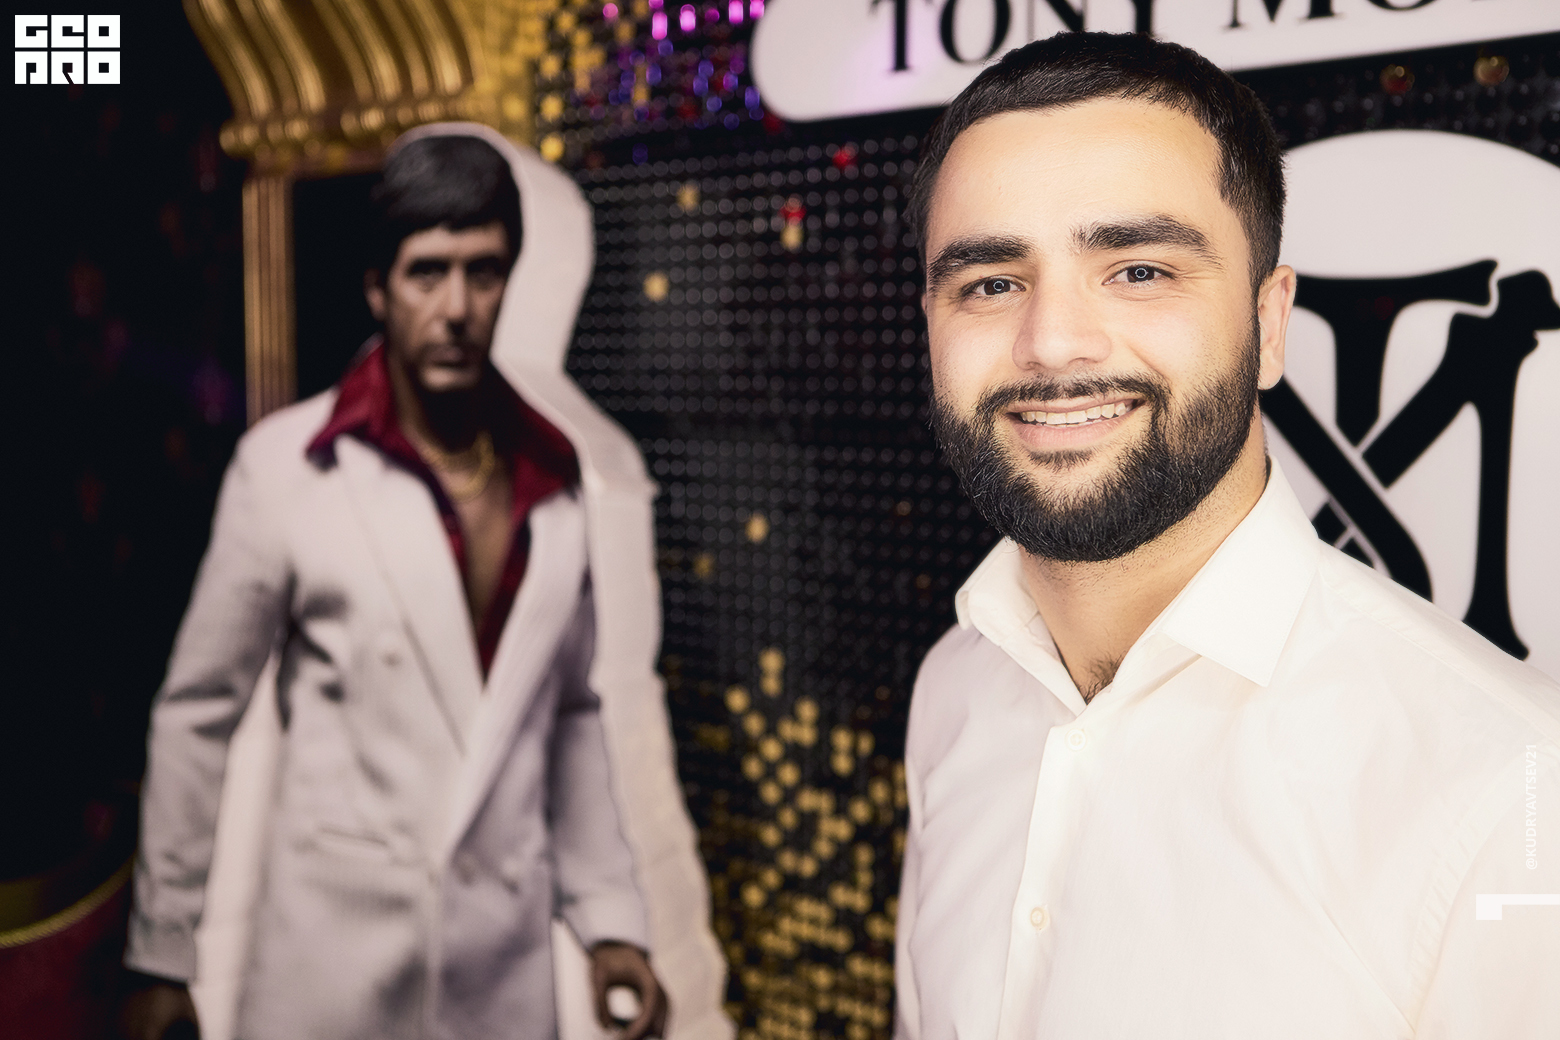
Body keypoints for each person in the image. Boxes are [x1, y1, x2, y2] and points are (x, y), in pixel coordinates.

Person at [894, 32, 1560, 1040]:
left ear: (1270, 322)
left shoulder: (1509, 794)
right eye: (991, 282)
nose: (1053, 342)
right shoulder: (953, 687)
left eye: (1139, 269)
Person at [120, 129, 714, 1040]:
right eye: (426, 273)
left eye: (484, 273)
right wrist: (164, 952)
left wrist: (608, 922)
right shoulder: (286, 470)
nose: (457, 308)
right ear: (377, 287)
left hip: (499, 970)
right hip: (330, 970)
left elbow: (571, 714)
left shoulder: (555, 480)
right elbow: (199, 711)